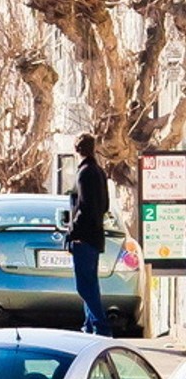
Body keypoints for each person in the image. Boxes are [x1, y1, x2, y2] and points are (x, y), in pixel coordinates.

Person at [66, 131, 110, 335]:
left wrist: (72, 232)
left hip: (84, 237)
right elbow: (104, 205)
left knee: (84, 286)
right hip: (96, 236)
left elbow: (83, 206)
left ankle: (100, 327)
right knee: (91, 283)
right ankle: (89, 325)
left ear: (77, 150)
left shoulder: (84, 172)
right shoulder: (100, 172)